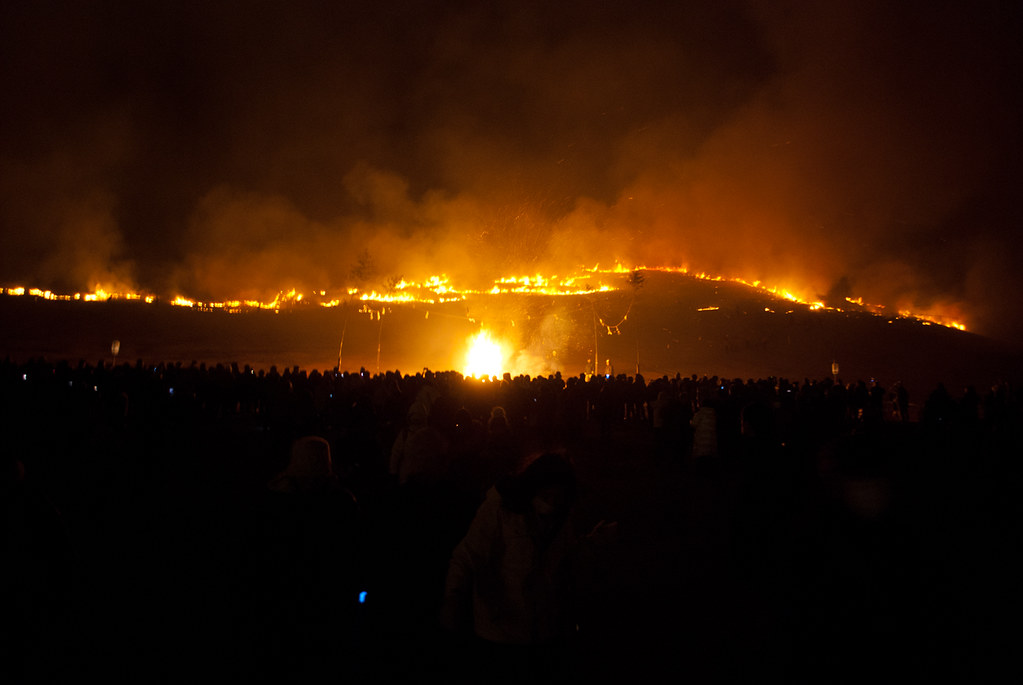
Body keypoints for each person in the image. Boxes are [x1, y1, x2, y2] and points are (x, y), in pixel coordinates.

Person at [441, 453, 580, 684]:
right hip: (500, 633)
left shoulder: (563, 516)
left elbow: (563, 562)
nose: (552, 505)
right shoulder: (500, 509)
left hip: (545, 632)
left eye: (559, 499)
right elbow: (468, 556)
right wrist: (452, 601)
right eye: (546, 496)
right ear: (532, 489)